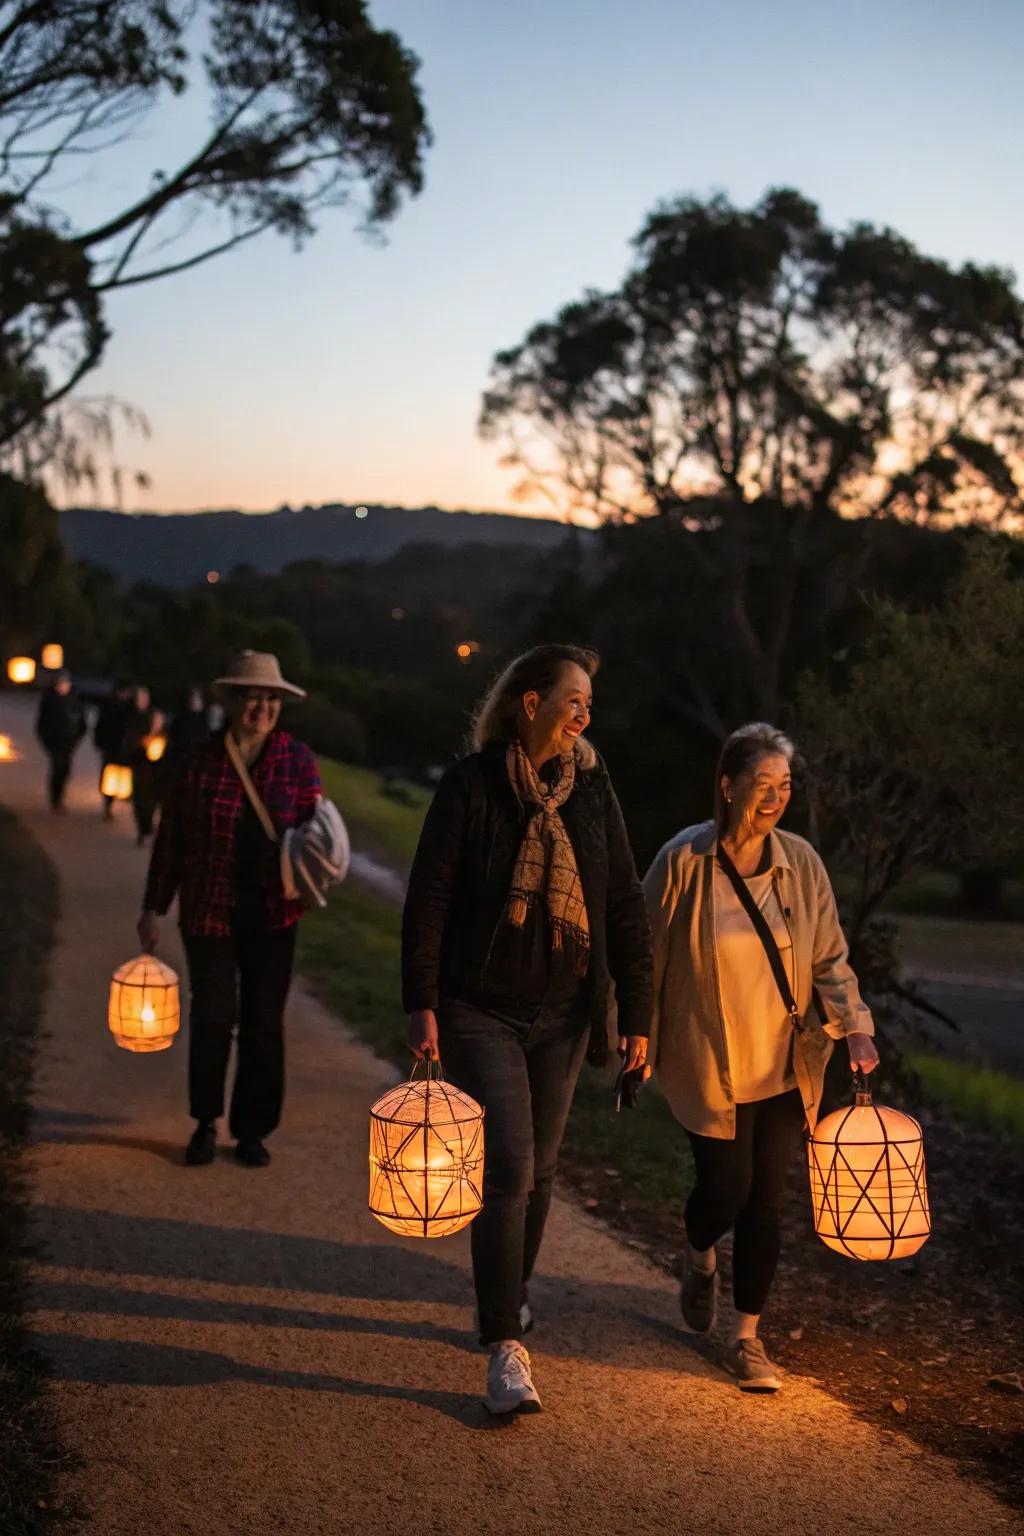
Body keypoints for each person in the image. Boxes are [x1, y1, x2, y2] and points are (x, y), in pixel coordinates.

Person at [402, 644, 652, 1416]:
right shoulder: (471, 786)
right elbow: (431, 899)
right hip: (480, 1007)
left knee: (541, 1168)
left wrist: (636, 1015)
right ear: (529, 704)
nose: (584, 715)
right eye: (572, 700)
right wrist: (422, 1002)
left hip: (566, 1013)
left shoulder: (593, 793)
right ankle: (505, 1342)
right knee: (508, 1164)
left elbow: (622, 907)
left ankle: (510, 1294)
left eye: (589, 704)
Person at [642, 722, 879, 1393]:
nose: (776, 796)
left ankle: (747, 1338)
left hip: (784, 1064)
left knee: (767, 1203)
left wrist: (854, 1026)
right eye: (762, 783)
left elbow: (830, 956)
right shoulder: (684, 863)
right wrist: (633, 1035)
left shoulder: (800, 863)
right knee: (725, 1189)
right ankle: (698, 1256)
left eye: (786, 785)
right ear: (727, 783)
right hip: (706, 1062)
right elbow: (644, 956)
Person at [137, 651, 320, 1169]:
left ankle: (252, 1130)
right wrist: (153, 906)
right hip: (209, 910)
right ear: (233, 702)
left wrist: (311, 881)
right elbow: (170, 839)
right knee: (214, 1018)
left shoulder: (297, 761)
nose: (262, 706)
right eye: (252, 696)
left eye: (271, 698)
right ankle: (204, 1122)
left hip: (274, 916)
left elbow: (315, 837)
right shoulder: (199, 760)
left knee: (264, 1022)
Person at [35, 669, 86, 812]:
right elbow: (42, 723)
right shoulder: (49, 699)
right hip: (55, 742)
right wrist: (47, 741)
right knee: (58, 768)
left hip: (69, 741)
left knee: (66, 770)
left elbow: (81, 721)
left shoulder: (74, 699)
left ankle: (59, 796)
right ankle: (55, 799)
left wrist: (77, 737)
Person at [121, 685, 162, 847]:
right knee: (139, 801)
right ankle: (142, 830)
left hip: (154, 771)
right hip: (138, 767)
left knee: (151, 802)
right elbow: (128, 742)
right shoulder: (132, 718)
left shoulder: (153, 715)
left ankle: (147, 828)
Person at [93, 680, 133, 819]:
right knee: (110, 776)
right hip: (111, 747)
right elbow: (101, 726)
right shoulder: (109, 706)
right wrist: (100, 743)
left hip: (125, 749)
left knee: (122, 776)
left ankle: (117, 799)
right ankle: (108, 804)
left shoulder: (130, 707)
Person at [168, 686, 210, 762]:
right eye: (194, 697)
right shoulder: (180, 720)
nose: (196, 701)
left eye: (199, 698)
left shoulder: (204, 719)